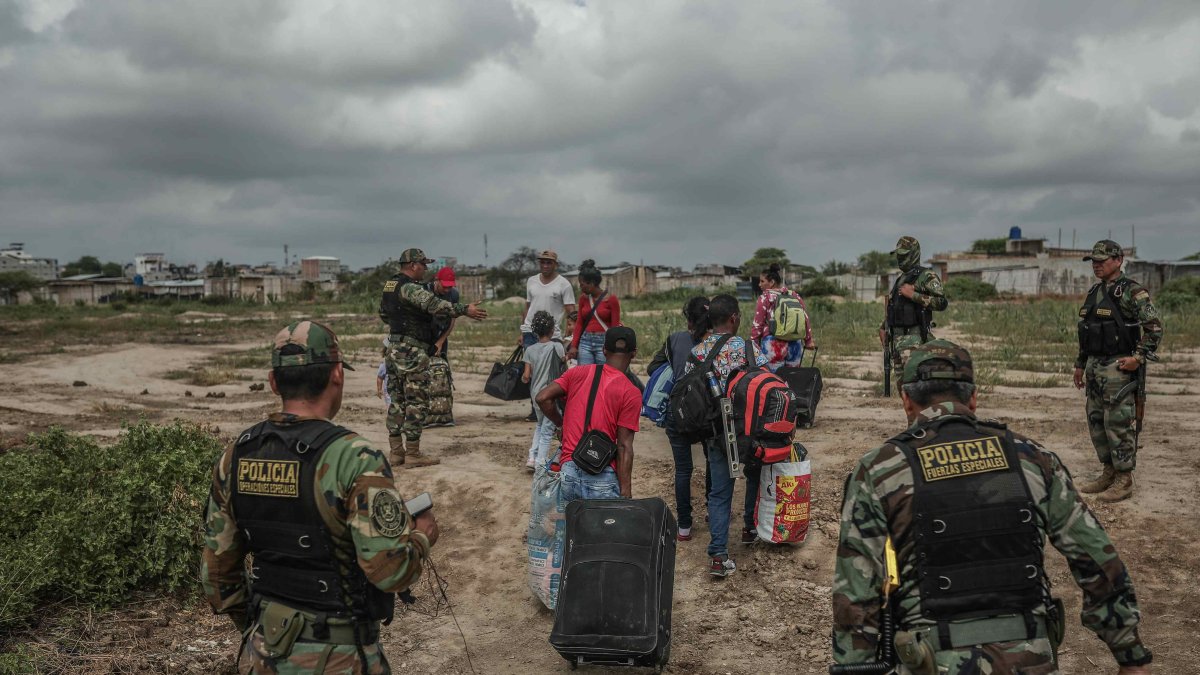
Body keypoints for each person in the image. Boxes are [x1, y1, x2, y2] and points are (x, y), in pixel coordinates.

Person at [832, 339, 1151, 675]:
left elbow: (855, 591)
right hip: (1030, 660)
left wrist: (855, 667)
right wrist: (1130, 654)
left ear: (906, 400)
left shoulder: (880, 470)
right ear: (973, 397)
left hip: (931, 661)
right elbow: (1096, 559)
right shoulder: (1031, 460)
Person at [201, 320, 439, 674]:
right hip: (340, 657)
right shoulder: (354, 458)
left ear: (272, 382)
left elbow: (217, 578)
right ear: (338, 375)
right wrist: (422, 536)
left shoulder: (236, 455)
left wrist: (268, 627)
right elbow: (390, 572)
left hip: (263, 654)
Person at [681, 294, 767, 577]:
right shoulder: (747, 347)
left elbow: (687, 389)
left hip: (717, 432)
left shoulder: (697, 351)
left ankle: (718, 556)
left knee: (719, 491)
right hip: (749, 430)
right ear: (734, 318)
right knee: (755, 475)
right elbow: (767, 379)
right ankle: (750, 528)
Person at [1073, 240, 1163, 503]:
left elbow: (1154, 329)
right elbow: (1086, 332)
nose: (1096, 265)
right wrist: (1080, 364)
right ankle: (1108, 472)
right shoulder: (1094, 292)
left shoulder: (1132, 292)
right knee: (1097, 421)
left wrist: (1137, 358)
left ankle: (1124, 480)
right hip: (1094, 367)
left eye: (1101, 260)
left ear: (1118, 260)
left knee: (1118, 423)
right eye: (1094, 261)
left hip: (1118, 368)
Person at [379, 248, 487, 467]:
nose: (426, 269)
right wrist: (465, 309)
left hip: (394, 349)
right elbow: (435, 305)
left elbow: (383, 314)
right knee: (416, 401)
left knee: (396, 400)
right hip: (412, 351)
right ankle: (412, 454)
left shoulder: (390, 285)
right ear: (413, 265)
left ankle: (396, 452)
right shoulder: (410, 287)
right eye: (423, 265)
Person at [535, 326, 641, 501]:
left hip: (568, 470)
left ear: (604, 350)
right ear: (634, 353)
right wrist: (625, 492)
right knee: (604, 527)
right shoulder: (631, 392)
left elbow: (542, 398)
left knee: (574, 526)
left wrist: (561, 424)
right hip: (603, 475)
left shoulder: (577, 373)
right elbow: (624, 446)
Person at [645, 296, 713, 542]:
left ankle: (684, 526)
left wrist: (678, 372)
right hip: (707, 413)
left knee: (683, 469)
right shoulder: (719, 343)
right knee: (712, 462)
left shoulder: (674, 340)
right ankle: (712, 513)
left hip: (677, 412)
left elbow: (653, 368)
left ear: (689, 320)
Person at [879, 236, 948, 391]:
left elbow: (942, 302)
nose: (900, 259)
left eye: (904, 255)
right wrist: (884, 327)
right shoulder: (900, 279)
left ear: (914, 254)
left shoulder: (926, 276)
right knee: (904, 392)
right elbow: (895, 307)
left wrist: (914, 295)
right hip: (897, 342)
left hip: (915, 341)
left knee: (916, 389)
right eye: (899, 255)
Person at [519, 249, 576, 420]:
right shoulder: (531, 281)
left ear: (555, 264)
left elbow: (570, 311)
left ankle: (555, 406)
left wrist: (572, 334)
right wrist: (522, 330)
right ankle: (535, 408)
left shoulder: (563, 284)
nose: (545, 265)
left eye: (549, 262)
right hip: (530, 331)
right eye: (542, 262)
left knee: (553, 372)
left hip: (553, 334)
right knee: (532, 371)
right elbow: (528, 306)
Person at [750, 262, 815, 372]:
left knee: (774, 382)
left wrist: (753, 347)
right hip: (795, 343)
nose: (759, 284)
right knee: (793, 379)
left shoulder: (765, 298)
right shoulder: (794, 295)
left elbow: (757, 325)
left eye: (762, 281)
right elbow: (804, 318)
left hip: (773, 344)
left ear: (772, 282)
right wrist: (808, 341)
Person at [522, 310, 566, 471]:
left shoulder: (529, 350)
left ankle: (532, 457)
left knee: (540, 425)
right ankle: (541, 463)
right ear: (552, 330)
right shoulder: (557, 347)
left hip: (535, 394)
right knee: (548, 429)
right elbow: (563, 364)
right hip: (550, 394)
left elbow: (526, 376)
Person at [568, 259, 621, 366]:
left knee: (602, 376)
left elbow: (615, 327)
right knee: (585, 376)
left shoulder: (611, 299)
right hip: (585, 342)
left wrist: (612, 348)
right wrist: (574, 345)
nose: (580, 287)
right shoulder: (583, 299)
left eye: (582, 284)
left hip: (604, 343)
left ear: (591, 283)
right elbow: (579, 323)